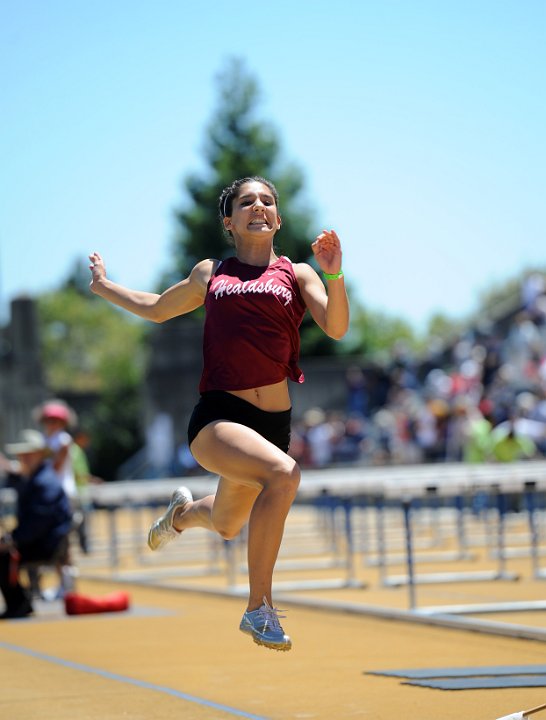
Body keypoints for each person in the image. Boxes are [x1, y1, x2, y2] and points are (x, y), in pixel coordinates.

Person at [88, 176, 349, 651]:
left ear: (278, 218)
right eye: (247, 201)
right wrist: (105, 287)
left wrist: (333, 273)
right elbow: (156, 308)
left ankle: (182, 515)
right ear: (229, 221)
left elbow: (335, 328)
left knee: (228, 524)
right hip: (218, 416)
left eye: (268, 201)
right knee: (284, 476)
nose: (259, 207)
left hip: (272, 425)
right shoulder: (212, 273)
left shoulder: (298, 273)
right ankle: (258, 608)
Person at [0, 429, 73, 619]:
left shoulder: (44, 482)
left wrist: (11, 540)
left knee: (2, 555)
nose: (24, 458)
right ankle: (20, 602)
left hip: (46, 544)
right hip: (39, 539)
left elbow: (37, 523)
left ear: (40, 454)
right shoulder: (35, 479)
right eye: (22, 455)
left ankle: (19, 604)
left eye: (29, 454)